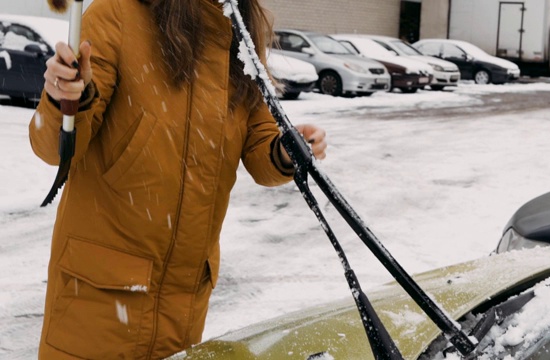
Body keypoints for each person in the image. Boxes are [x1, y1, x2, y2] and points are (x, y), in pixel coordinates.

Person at [28, 0, 327, 358]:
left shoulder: (239, 34)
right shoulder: (117, 14)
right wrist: (67, 98)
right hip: (98, 299)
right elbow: (55, 147)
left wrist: (284, 150)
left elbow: (259, 140)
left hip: (183, 307)